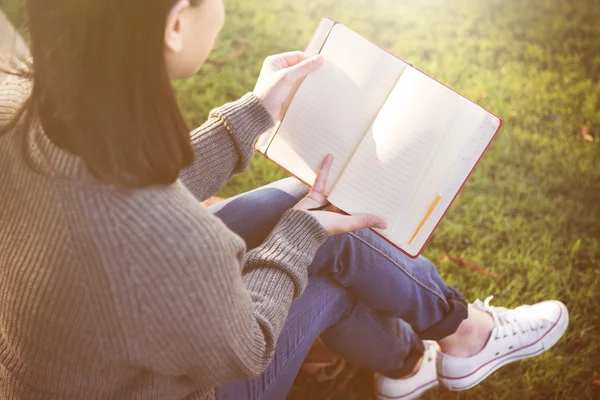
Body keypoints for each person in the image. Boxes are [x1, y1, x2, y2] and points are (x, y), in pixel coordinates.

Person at [0, 0, 568, 399]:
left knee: (315, 204)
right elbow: (247, 347)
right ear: (176, 24)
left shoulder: (19, 105)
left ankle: (423, 355)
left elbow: (115, 185)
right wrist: (298, 238)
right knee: (325, 255)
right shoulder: (177, 241)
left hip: (59, 364)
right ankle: (458, 339)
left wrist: (254, 112)